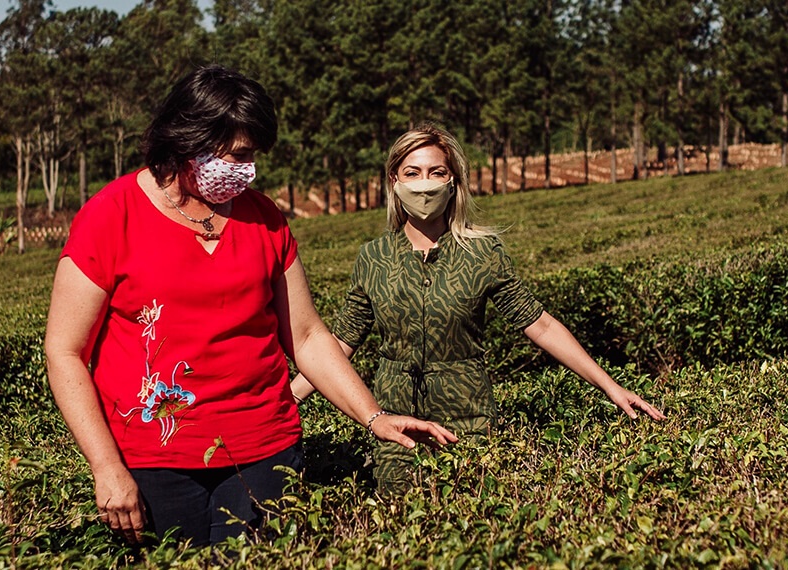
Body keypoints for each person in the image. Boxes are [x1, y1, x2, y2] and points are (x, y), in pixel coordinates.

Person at [44, 66, 456, 547]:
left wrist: (372, 415)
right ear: (190, 138)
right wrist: (106, 466)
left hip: (265, 449)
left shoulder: (264, 219)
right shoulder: (110, 217)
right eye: (239, 154)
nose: (247, 168)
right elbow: (64, 351)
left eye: (253, 155)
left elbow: (305, 336)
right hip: (154, 459)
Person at [290, 123, 665, 492]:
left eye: (436, 172)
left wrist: (609, 386)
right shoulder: (372, 258)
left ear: (453, 182)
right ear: (394, 181)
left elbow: (539, 325)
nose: (424, 183)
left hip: (466, 421)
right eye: (412, 173)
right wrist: (287, 400)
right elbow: (339, 343)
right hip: (396, 425)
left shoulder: (482, 253)